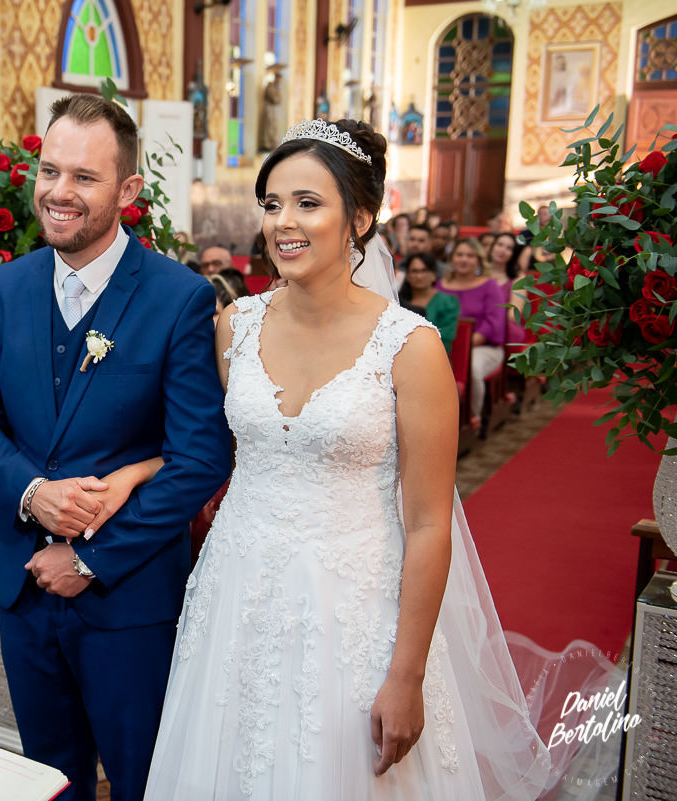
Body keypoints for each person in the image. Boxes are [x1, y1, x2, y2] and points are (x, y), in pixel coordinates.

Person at [141, 119, 548, 799]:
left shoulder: (409, 347)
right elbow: (209, 451)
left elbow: (427, 523)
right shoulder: (233, 326)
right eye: (272, 204)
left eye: (307, 202)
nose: (283, 224)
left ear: (359, 217)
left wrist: (407, 673)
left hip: (352, 611)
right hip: (236, 595)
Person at [0, 93, 233, 801]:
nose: (59, 192)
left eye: (83, 177)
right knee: (48, 778)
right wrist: (32, 493)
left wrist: (87, 555)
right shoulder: (9, 287)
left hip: (127, 599)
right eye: (49, 171)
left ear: (127, 190)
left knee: (144, 779)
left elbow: (201, 455)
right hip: (23, 588)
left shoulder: (179, 298)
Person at [438, 238, 507, 428]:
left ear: (478, 259)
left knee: (473, 368)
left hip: (483, 347)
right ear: (452, 259)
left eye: (470, 255)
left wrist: (465, 346)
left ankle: (471, 417)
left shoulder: (490, 285)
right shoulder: (440, 285)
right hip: (443, 346)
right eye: (459, 255)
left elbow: (494, 322)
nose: (464, 260)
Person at [399, 252, 459, 352]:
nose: (419, 276)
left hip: (436, 354)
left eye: (424, 271)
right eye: (414, 271)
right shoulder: (399, 301)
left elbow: (446, 336)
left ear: (434, 275)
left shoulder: (447, 302)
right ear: (408, 276)